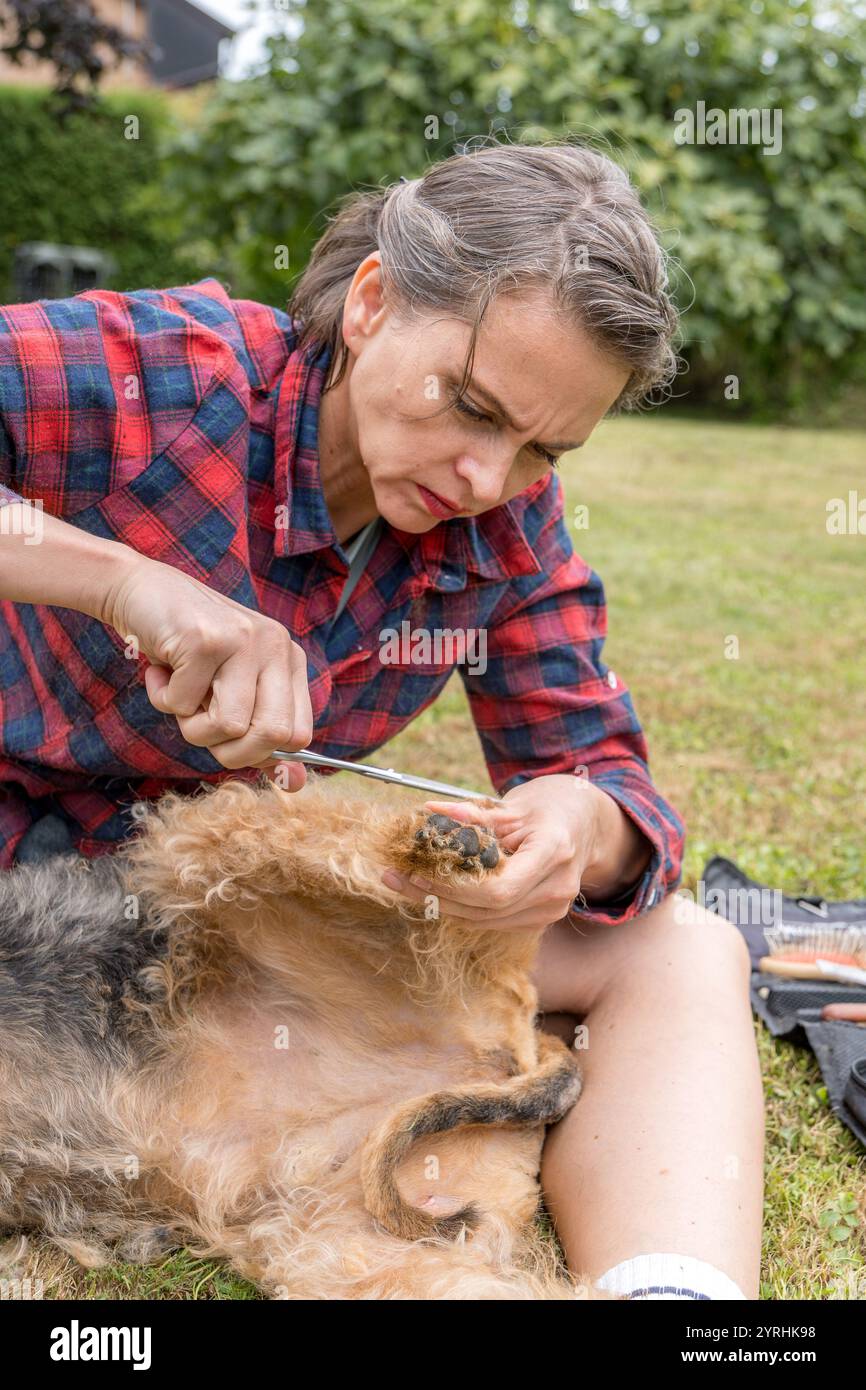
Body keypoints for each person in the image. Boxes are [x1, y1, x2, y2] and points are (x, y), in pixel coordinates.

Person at [0, 141, 763, 1300]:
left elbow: (606, 777)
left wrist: (574, 823)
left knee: (680, 945)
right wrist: (118, 580)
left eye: (539, 448)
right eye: (468, 405)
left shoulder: (505, 529)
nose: (483, 477)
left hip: (223, 941)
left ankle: (675, 1305)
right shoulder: (165, 375)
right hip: (26, 909)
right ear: (370, 302)